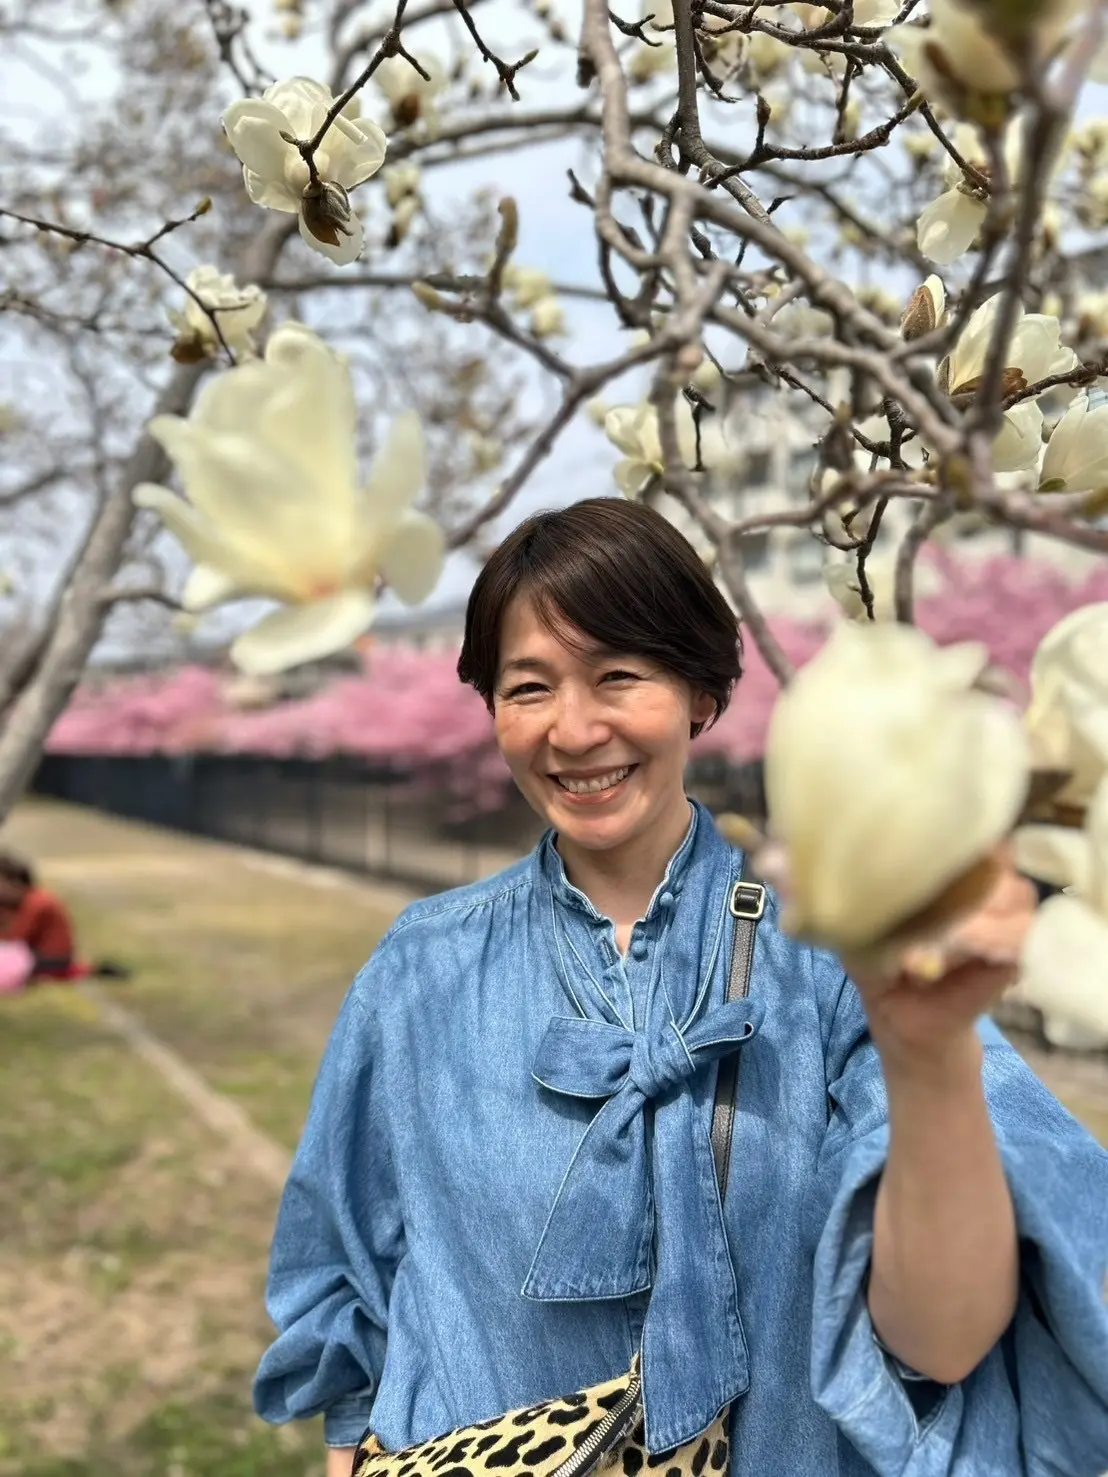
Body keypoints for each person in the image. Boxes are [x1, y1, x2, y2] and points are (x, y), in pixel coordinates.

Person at [253, 499, 1108, 1477]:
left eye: (619, 675)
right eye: (528, 687)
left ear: (699, 693)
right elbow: (346, 1260)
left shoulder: (837, 956)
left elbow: (943, 1343)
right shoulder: (422, 967)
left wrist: (928, 1044)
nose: (574, 729)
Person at [0, 850, 130, 983]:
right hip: (41, 958)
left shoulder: (37, 901)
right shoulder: (19, 902)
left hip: (52, 960)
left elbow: (15, 937)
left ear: (14, 882)